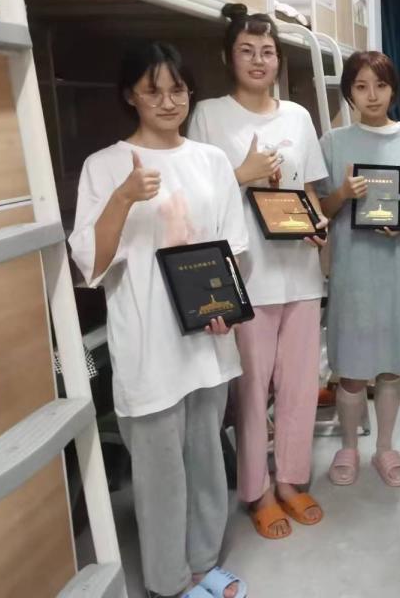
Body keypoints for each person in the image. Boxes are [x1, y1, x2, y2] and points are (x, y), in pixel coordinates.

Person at [69, 42, 247, 598]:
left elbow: (231, 249)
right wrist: (123, 198)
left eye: (178, 89)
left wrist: (226, 311)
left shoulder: (211, 161)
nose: (168, 102)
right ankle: (169, 584)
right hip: (150, 346)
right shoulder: (105, 166)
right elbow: (91, 266)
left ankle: (203, 563)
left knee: (206, 459)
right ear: (131, 95)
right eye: (153, 91)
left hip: (208, 341)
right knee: (160, 473)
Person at [188, 4, 327, 540]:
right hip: (246, 274)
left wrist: (318, 224)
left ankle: (290, 480)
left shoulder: (297, 116)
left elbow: (308, 188)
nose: (258, 60)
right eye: (246, 50)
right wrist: (240, 174)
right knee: (250, 392)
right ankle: (257, 491)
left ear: (278, 60)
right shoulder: (208, 116)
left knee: (299, 387)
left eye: (267, 51)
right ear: (228, 57)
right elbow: (198, 197)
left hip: (300, 272)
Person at [317, 51, 400, 487]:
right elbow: (319, 210)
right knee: (350, 367)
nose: (372, 95)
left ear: (393, 89)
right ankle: (348, 446)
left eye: (380, 85)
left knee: (391, 365)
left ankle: (384, 447)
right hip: (353, 272)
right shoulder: (333, 142)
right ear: (349, 92)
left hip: (398, 270)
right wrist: (343, 193)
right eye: (361, 86)